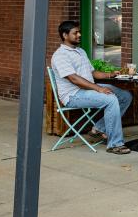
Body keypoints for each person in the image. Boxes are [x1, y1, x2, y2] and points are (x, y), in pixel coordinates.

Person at [50, 20, 133, 155]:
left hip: (87, 89)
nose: (79, 35)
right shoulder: (60, 55)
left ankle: (99, 128)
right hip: (73, 95)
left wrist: (110, 74)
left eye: (79, 32)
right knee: (110, 99)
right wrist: (98, 88)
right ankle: (115, 144)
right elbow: (74, 79)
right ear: (65, 35)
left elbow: (92, 73)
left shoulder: (81, 51)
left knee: (125, 96)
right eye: (75, 33)